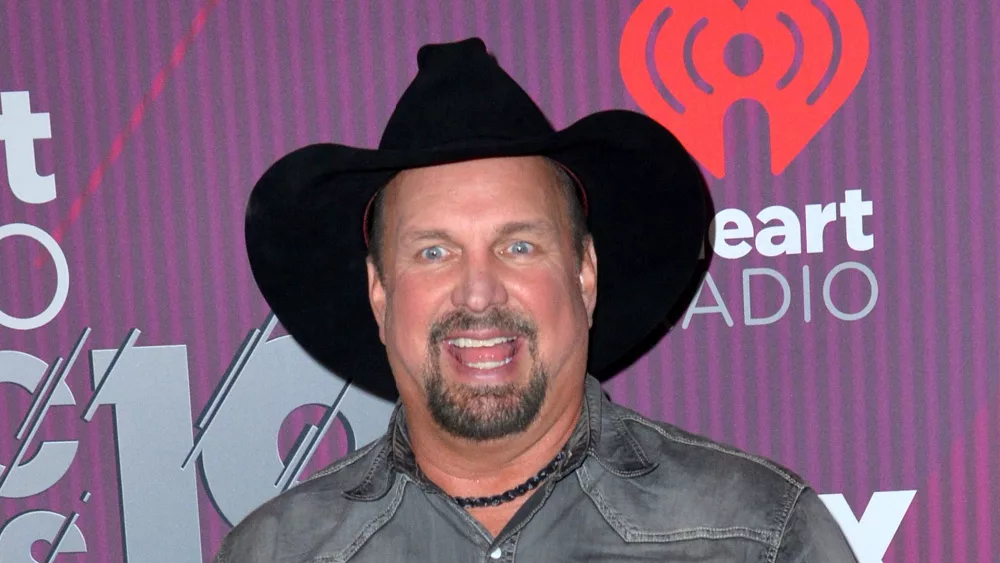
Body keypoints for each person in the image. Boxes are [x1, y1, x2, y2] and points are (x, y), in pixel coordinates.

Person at [217, 38, 857, 562]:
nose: (478, 292)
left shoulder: (755, 537)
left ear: (584, 273)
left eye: (518, 247)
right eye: (434, 252)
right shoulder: (276, 554)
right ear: (379, 294)